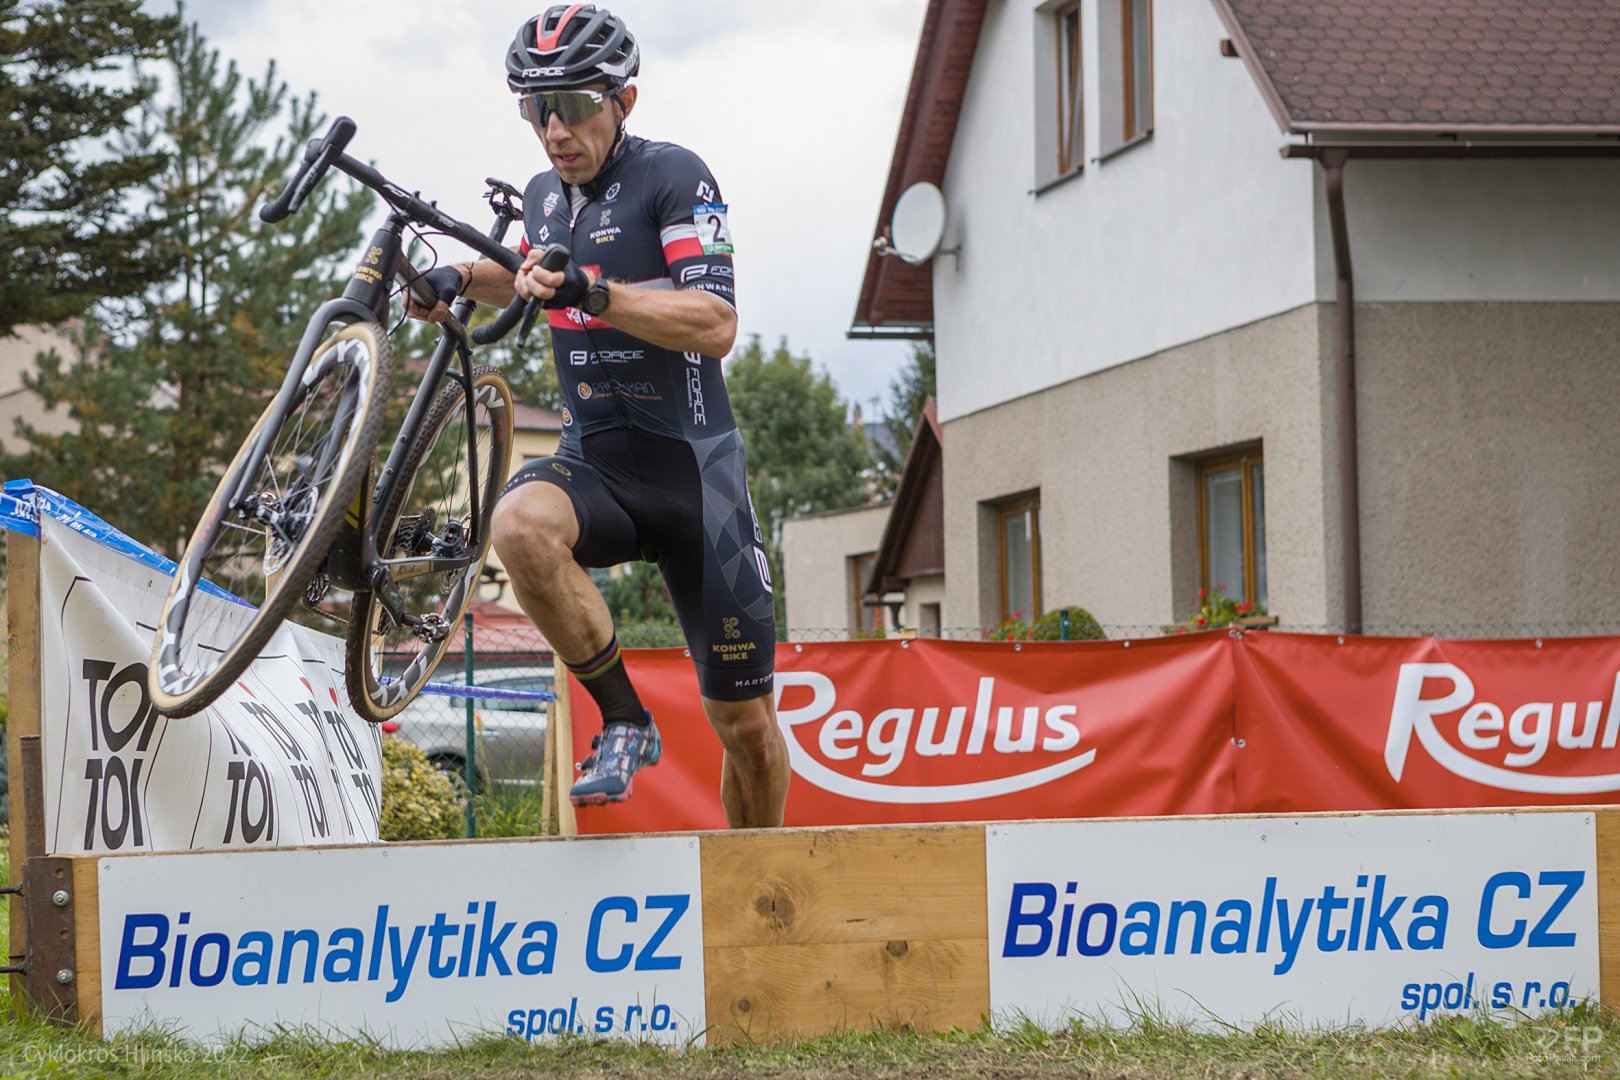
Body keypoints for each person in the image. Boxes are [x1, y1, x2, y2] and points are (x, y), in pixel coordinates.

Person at [404, 4, 788, 828]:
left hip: (695, 482)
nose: (554, 129)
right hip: (597, 468)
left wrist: (595, 292)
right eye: (534, 107)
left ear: (624, 100)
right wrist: (459, 278)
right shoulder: (545, 196)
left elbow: (715, 322)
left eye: (574, 104)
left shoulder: (675, 176)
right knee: (517, 526)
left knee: (749, 731)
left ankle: (760, 883)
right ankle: (623, 719)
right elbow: (528, 274)